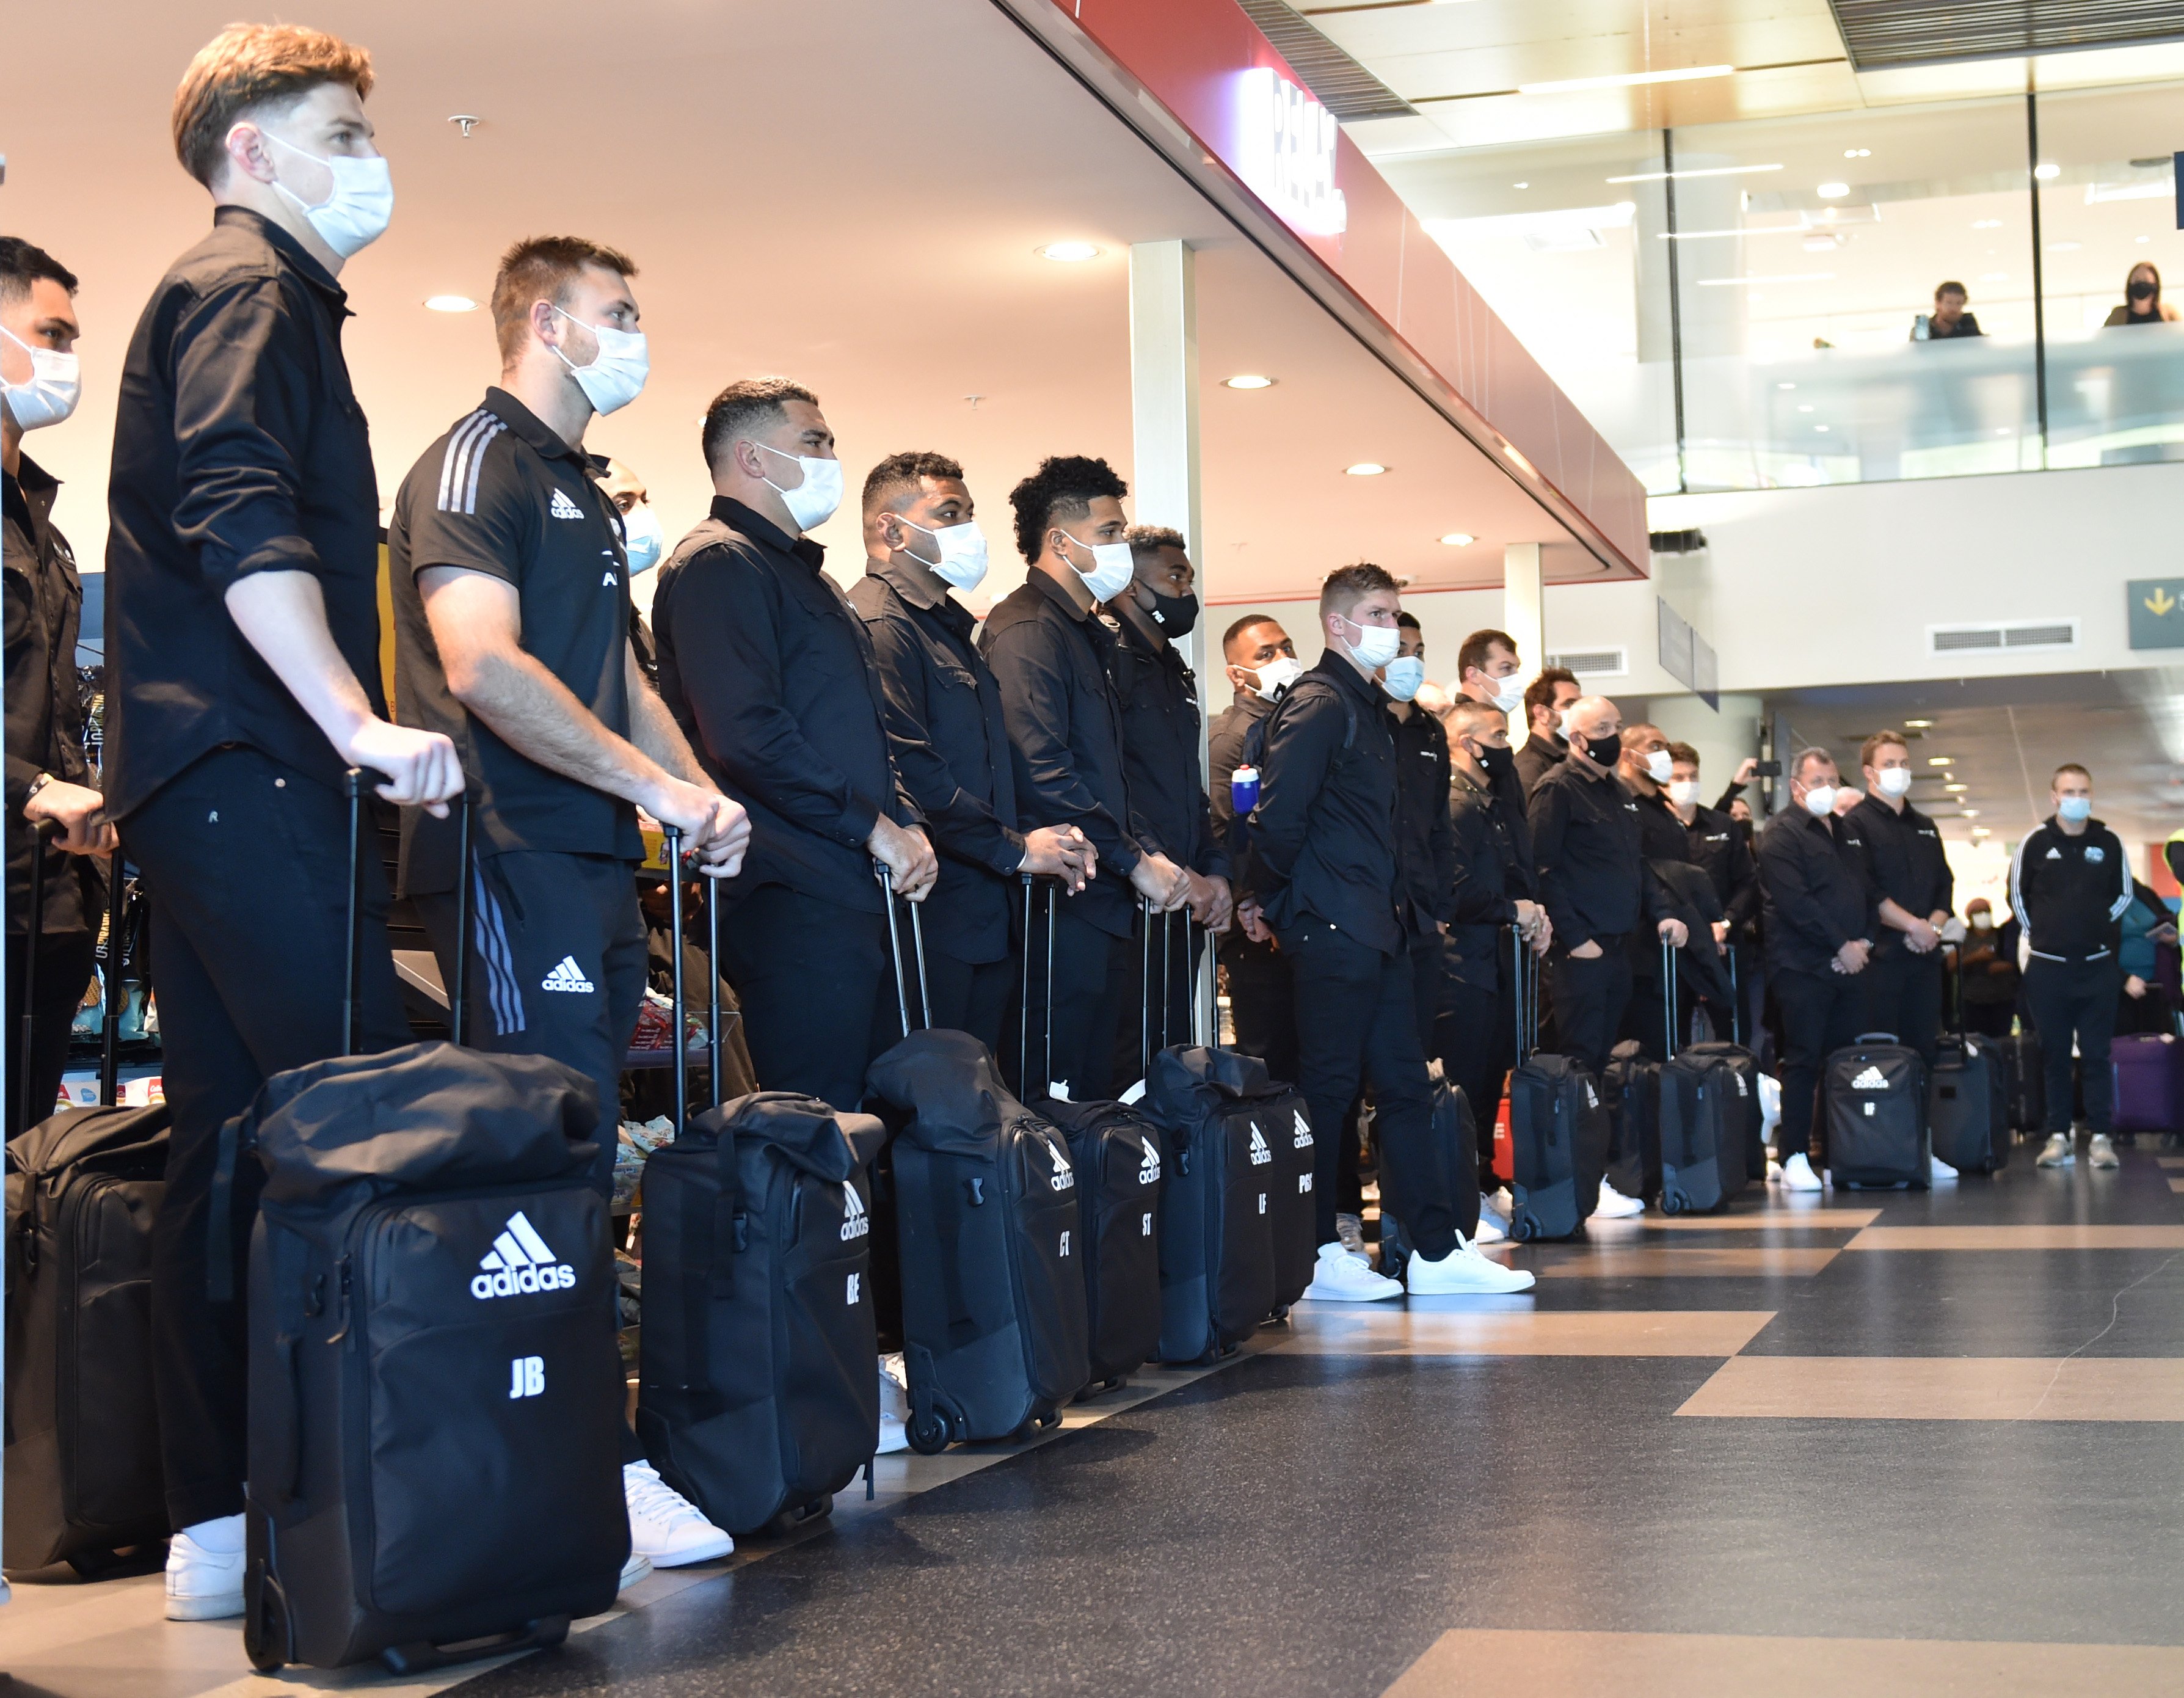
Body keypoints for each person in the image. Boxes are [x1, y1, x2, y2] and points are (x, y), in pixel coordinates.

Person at [104, 26, 467, 1621]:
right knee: (348, 1107)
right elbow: (241, 519)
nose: (369, 157)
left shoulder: (260, 296)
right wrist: (357, 723)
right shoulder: (249, 288)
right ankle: (367, 1475)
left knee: (234, 1136)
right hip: (251, 763)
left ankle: (220, 1515)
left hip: (194, 774)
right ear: (253, 151)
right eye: (340, 130)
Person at [392, 235, 749, 1571]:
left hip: (591, 856)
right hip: (505, 849)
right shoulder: (476, 461)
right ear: (546, 322)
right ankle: (572, 1464)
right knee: (534, 1152)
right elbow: (482, 667)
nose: (638, 333)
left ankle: (597, 1445)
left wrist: (690, 791)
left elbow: (617, 679)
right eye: (620, 313)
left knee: (587, 1149)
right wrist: (652, 785)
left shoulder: (582, 491)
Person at [1248, 562, 1531, 1299]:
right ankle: (1318, 1255)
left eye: (1394, 614)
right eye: (1377, 614)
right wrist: (1285, 904)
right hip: (1335, 927)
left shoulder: (1371, 709)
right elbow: (1278, 821)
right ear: (1339, 624)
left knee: (1406, 1086)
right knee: (1330, 1088)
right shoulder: (1318, 702)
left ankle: (1434, 1249)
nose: (1390, 628)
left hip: (1386, 927)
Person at [650, 378, 932, 1113]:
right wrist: (875, 827)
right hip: (791, 892)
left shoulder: (814, 580)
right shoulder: (719, 564)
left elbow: (861, 729)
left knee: (871, 1119)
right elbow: (748, 735)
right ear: (752, 456)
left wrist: (907, 823)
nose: (832, 456)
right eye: (815, 441)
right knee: (811, 1123)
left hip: (854, 889)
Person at [846, 451, 1092, 1053]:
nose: (969, 532)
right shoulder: (881, 623)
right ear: (892, 531)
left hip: (986, 912)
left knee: (984, 1106)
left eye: (969, 514)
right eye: (949, 514)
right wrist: (1014, 849)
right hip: (933, 911)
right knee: (933, 1104)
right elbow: (911, 765)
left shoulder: (949, 626)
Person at [980, 456, 1188, 1101]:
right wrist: (1134, 859)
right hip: (1061, 898)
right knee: (1056, 1096)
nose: (1122, 548)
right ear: (1060, 542)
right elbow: (1042, 769)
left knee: (1105, 1094)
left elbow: (1112, 773)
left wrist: (1148, 851)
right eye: (1110, 533)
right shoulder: (1026, 630)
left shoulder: (1087, 635)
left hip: (1105, 898)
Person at [4, 237, 112, 1140]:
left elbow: (54, 705)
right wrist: (32, 787)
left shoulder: (45, 527)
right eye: (50, 334)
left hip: (47, 900)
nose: (67, 361)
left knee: (24, 1158)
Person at [1342, 610, 1457, 1250]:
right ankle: (1349, 1217)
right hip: (1364, 918)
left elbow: (1438, 826)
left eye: (1417, 647)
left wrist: (1437, 902)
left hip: (1419, 922)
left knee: (1410, 1074)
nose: (1408, 658)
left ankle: (1416, 1225)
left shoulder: (1431, 732)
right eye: (1399, 647)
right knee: (1354, 1076)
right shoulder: (1361, 718)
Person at [1105, 525, 1232, 1080]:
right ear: (1132, 587)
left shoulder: (1174, 669)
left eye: (1190, 578)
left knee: (1177, 1060)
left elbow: (1188, 787)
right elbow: (1112, 784)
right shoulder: (1109, 660)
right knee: (1130, 1063)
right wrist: (1170, 868)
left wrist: (1218, 873)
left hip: (1189, 898)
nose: (1188, 591)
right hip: (1139, 890)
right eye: (1175, 577)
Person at [1527, 696, 1688, 1085]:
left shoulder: (1617, 791)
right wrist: (1576, 938)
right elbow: (1540, 869)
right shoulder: (1557, 789)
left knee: (1605, 1060)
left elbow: (1637, 865)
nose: (1613, 736)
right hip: (1581, 952)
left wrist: (1664, 911)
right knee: (1578, 1061)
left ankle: (1602, 1143)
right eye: (1603, 730)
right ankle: (1575, 1143)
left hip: (1620, 948)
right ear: (1578, 739)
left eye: (1616, 727)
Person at [1441, 697, 1548, 1225]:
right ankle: (1463, 1198)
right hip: (1460, 966)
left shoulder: (1488, 803)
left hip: (1491, 963)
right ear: (1468, 743)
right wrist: (1513, 910)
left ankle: (1481, 1185)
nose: (1508, 747)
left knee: (1486, 1084)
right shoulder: (1456, 804)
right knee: (1463, 1086)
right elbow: (1455, 890)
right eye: (1501, 737)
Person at [1755, 749, 1876, 1192]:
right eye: (1817, 779)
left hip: (1850, 965)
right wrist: (1840, 945)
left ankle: (1841, 1151)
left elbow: (1866, 890)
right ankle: (1795, 1156)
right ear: (1796, 785)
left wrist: (1863, 941)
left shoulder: (1846, 832)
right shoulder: (1781, 834)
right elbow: (1796, 903)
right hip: (1802, 967)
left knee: (1844, 1062)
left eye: (1832, 778)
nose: (1826, 787)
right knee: (1803, 1063)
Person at [2012, 764, 2131, 1170]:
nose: (2077, 797)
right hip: (2048, 969)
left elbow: (2124, 895)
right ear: (2054, 796)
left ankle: (2101, 1135)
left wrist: (2096, 930)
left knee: (2097, 1054)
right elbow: (2017, 896)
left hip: (2097, 967)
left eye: (2083, 790)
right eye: (2069, 791)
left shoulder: (2109, 841)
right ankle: (2058, 1135)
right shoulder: (2035, 841)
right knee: (2054, 1056)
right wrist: (2041, 937)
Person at [1207, 613, 1301, 1088]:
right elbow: (1229, 833)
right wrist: (1251, 900)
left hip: (1298, 918)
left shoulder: (1295, 727)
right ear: (1237, 674)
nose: (1283, 660)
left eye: (1286, 648)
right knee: (1270, 1066)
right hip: (1257, 930)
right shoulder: (1230, 740)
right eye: (1266, 655)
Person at [1848, 732, 1953, 1073]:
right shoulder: (1855, 824)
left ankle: (1921, 1126)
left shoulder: (1924, 826)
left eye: (1904, 763)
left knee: (1925, 1050)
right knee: (1884, 1054)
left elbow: (1944, 884)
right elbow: (1867, 891)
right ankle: (1887, 1127)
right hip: (1882, 961)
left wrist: (1932, 929)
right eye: (1889, 764)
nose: (1899, 770)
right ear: (1869, 772)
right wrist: (1913, 926)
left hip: (1925, 958)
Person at [1667, 742, 1760, 1038]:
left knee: (1735, 1039)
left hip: (1725, 948)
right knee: (1672, 1041)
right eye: (1678, 778)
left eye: (1693, 776)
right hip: (1674, 955)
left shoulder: (1723, 825)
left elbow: (1748, 882)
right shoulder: (1653, 829)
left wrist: (1727, 922)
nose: (1688, 784)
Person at [1957, 895, 2020, 1039]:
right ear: (1970, 916)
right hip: (1973, 1001)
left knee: (2002, 1041)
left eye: (1986, 910)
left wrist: (2004, 966)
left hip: (2003, 1000)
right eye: (1978, 912)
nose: (1983, 915)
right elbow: (1953, 966)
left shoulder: (2002, 934)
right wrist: (1976, 957)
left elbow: (2017, 959)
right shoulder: (1964, 937)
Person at [1513, 666, 1579, 795]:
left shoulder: (1570, 761)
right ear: (1542, 714)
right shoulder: (1529, 770)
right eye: (1569, 704)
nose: (1579, 712)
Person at [2103, 262, 2180, 327]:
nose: (2141, 284)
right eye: (2137, 280)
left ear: (2155, 286)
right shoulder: (2118, 314)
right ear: (2130, 285)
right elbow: (2104, 340)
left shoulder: (2169, 312)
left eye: (2146, 280)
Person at [1912, 281, 1982, 340]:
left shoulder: (1967, 325)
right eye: (1949, 303)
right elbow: (1917, 354)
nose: (1954, 308)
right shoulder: (1923, 328)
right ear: (1938, 304)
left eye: (1959, 303)